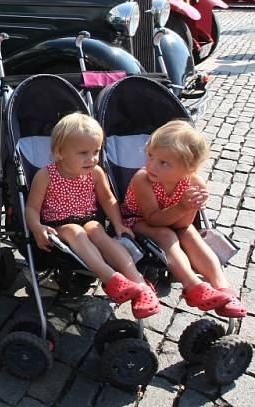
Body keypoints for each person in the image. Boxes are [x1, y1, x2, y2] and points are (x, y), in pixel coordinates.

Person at [25, 113, 160, 318]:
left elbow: (108, 199)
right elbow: (32, 208)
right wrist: (37, 227)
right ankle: (112, 279)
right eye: (83, 153)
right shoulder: (45, 175)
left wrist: (118, 224)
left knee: (96, 231)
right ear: (60, 152)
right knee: (75, 230)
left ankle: (140, 284)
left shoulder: (95, 172)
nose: (92, 158)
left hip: (89, 219)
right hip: (58, 226)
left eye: (96, 151)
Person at [121, 120, 247, 318]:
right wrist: (183, 206)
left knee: (190, 234)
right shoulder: (142, 179)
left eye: (163, 163)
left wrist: (190, 207)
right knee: (166, 234)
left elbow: (183, 225)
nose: (151, 165)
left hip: (173, 223)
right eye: (151, 156)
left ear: (189, 169)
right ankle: (192, 285)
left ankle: (223, 288)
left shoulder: (194, 183)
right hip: (137, 221)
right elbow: (153, 220)